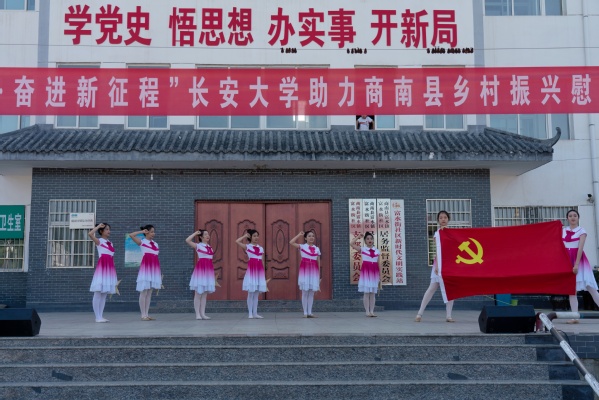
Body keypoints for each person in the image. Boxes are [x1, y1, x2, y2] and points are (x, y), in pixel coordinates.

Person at [414, 211, 455, 323]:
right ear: (438, 220)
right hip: (439, 264)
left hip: (449, 265)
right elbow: (437, 251)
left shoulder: (452, 233)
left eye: (445, 217)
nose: (443, 219)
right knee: (431, 289)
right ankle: (419, 313)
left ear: (448, 219)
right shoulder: (437, 233)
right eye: (441, 217)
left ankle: (449, 316)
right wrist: (436, 265)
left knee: (450, 290)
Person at [565, 209, 599, 324]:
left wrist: (576, 264)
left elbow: (580, 248)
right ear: (567, 218)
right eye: (570, 216)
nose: (573, 217)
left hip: (579, 260)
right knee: (571, 290)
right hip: (567, 261)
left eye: (575, 215)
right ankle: (575, 317)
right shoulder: (563, 231)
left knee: (591, 287)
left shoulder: (582, 231)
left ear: (578, 217)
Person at [129, 225, 162, 321]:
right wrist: (141, 232)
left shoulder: (155, 244)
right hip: (146, 268)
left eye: (153, 232)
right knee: (144, 291)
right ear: (146, 232)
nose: (153, 233)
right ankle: (143, 314)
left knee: (149, 292)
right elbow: (131, 235)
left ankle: (147, 314)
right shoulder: (142, 242)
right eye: (151, 232)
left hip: (154, 268)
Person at [88, 223, 117, 323]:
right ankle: (97, 317)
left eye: (109, 229)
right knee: (98, 292)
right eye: (107, 229)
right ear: (101, 231)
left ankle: (101, 316)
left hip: (109, 268)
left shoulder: (110, 243)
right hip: (102, 268)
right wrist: (98, 227)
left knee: (104, 294)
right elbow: (90, 234)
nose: (109, 231)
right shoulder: (99, 241)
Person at [236, 229, 267, 319]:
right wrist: (244, 236)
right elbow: (237, 241)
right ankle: (250, 313)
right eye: (254, 236)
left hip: (259, 271)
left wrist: (263, 273)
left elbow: (262, 260)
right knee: (251, 293)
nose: (256, 238)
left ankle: (255, 313)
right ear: (250, 237)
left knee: (256, 294)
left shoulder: (261, 248)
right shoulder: (248, 247)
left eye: (257, 236)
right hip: (252, 271)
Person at [350, 231, 383, 317]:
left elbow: (379, 264)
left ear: (373, 240)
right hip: (366, 272)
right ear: (365, 241)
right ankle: (367, 312)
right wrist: (358, 237)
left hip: (374, 273)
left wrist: (380, 276)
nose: (370, 240)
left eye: (371, 238)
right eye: (367, 239)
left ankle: (372, 311)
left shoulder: (377, 251)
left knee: (372, 293)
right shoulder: (363, 249)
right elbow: (351, 244)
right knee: (366, 292)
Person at [290, 230, 321, 318]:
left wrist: (318, 274)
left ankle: (310, 312)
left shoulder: (317, 248)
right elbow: (291, 242)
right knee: (305, 292)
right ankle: (305, 313)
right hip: (305, 270)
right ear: (305, 238)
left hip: (314, 271)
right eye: (309, 236)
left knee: (311, 293)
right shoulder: (302, 246)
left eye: (313, 236)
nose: (311, 237)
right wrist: (299, 235)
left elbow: (318, 262)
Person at [186, 229, 216, 320]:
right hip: (201, 270)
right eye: (205, 234)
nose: (208, 236)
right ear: (201, 237)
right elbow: (187, 240)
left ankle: (203, 314)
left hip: (208, 271)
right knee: (198, 293)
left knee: (204, 294)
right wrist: (195, 233)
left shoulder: (210, 247)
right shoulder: (198, 246)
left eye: (208, 234)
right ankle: (197, 314)